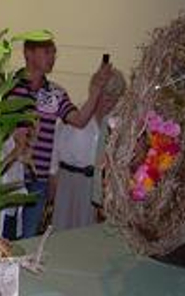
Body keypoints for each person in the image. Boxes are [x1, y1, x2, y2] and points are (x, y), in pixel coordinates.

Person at [11, 33, 112, 238]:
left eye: (54, 52)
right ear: (28, 53)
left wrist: (96, 90)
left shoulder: (56, 93)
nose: (53, 57)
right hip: (9, 179)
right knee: (4, 236)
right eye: (47, 51)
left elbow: (80, 120)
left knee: (28, 237)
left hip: (37, 179)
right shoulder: (7, 87)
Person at [49, 69, 126, 231]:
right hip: (69, 182)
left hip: (97, 185)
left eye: (115, 99)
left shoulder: (117, 123)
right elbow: (55, 153)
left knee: (88, 233)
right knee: (63, 233)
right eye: (106, 97)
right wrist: (53, 183)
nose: (110, 104)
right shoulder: (76, 114)